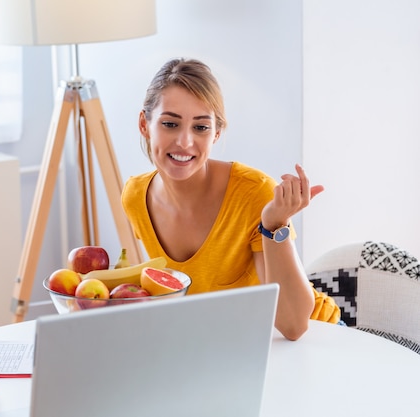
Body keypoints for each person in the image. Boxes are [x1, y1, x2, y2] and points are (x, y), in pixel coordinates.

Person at [122, 58, 340, 341]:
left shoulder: (255, 192)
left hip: (316, 336)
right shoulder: (135, 197)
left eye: (200, 127)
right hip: (229, 344)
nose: (185, 142)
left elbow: (292, 325)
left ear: (216, 133)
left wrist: (274, 223)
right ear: (144, 124)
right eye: (170, 124)